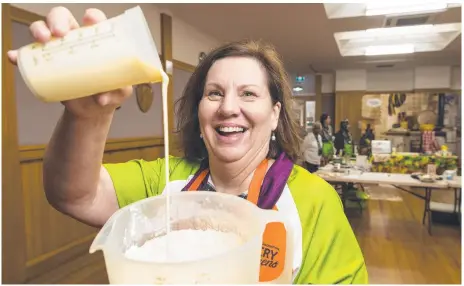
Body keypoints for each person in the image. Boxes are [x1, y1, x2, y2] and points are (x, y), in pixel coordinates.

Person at [7, 6, 368, 284]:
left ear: (274, 114)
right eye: (214, 93)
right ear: (199, 112)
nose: (228, 107)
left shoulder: (313, 201)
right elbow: (73, 195)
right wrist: (86, 116)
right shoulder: (165, 181)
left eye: (248, 94)